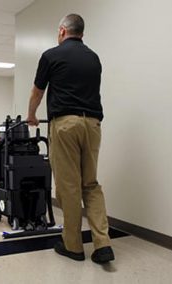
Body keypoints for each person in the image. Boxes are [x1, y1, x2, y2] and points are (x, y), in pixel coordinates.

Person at [27, 14, 115, 264]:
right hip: (93, 124)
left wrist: (32, 115)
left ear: (63, 31)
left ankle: (73, 246)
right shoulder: (93, 58)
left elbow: (37, 91)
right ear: (82, 35)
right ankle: (102, 244)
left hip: (65, 125)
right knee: (91, 184)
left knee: (69, 186)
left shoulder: (51, 55)